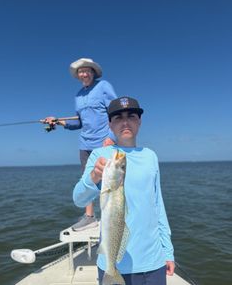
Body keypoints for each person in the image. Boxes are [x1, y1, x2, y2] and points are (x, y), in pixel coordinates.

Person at [73, 96, 175, 285]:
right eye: (118, 118)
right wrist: (94, 177)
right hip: (113, 262)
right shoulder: (99, 155)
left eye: (131, 116)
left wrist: (167, 251)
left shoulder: (150, 156)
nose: (125, 122)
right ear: (110, 124)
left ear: (140, 122)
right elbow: (78, 199)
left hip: (153, 261)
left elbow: (158, 205)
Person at [44, 58, 117, 231]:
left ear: (93, 72)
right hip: (85, 143)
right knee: (88, 180)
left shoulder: (103, 86)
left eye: (87, 70)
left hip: (104, 142)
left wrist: (112, 136)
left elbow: (115, 111)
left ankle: (113, 216)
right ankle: (90, 216)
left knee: (110, 181)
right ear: (78, 76)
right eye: (80, 72)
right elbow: (79, 123)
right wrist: (58, 121)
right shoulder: (78, 95)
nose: (84, 74)